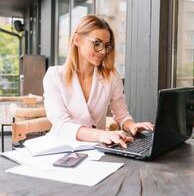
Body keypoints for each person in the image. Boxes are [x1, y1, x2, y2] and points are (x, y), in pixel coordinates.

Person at [43, 15, 154, 148]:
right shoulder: (54, 76)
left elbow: (122, 115)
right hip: (59, 149)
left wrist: (132, 125)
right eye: (97, 43)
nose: (102, 51)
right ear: (77, 40)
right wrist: (101, 134)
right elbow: (62, 124)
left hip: (97, 151)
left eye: (106, 46)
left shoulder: (111, 77)